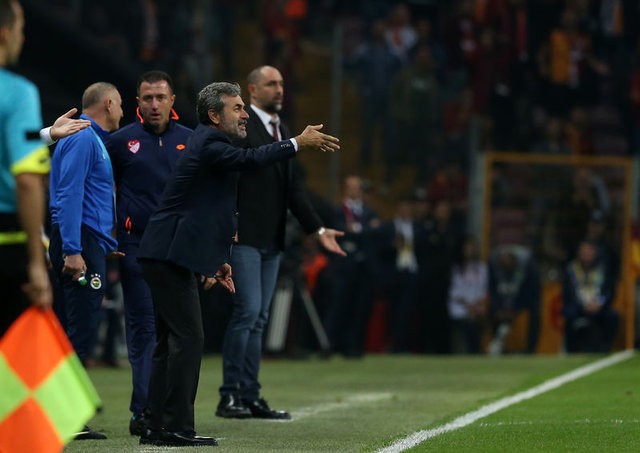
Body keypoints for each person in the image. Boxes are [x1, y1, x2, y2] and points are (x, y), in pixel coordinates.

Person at [137, 82, 339, 447]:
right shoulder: (211, 142)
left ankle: (155, 424)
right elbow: (251, 161)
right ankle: (176, 427)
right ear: (215, 115)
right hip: (167, 253)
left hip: (167, 252)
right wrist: (296, 142)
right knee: (188, 338)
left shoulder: (211, 144)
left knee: (170, 342)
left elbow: (207, 209)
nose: (245, 114)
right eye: (237, 108)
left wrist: (217, 260)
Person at [216, 65, 345, 420]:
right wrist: (295, 143)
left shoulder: (281, 129)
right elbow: (248, 165)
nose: (279, 89)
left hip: (272, 237)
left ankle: (250, 395)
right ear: (253, 91)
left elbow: (293, 190)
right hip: (244, 235)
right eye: (271, 84)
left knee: (259, 318)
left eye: (282, 83)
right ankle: (229, 396)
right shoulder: (243, 126)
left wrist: (318, 229)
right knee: (247, 313)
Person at [106, 70, 193, 435]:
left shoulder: (191, 140)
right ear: (138, 102)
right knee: (144, 329)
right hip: (136, 246)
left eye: (160, 97)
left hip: (179, 248)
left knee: (177, 332)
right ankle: (143, 411)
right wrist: (108, 234)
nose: (154, 104)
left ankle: (165, 411)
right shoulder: (120, 142)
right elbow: (100, 187)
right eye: (147, 98)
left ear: (172, 100)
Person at [0, 0, 90, 337]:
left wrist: (48, 134)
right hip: (8, 248)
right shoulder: (17, 93)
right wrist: (37, 263)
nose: (22, 38)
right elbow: (26, 179)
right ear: (5, 33)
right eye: (21, 30)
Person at [48, 82, 124, 440]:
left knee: (73, 329)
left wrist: (103, 242)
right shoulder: (82, 137)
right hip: (78, 242)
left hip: (86, 241)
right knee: (81, 328)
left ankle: (59, 413)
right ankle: (67, 417)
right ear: (108, 104)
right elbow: (69, 193)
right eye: (120, 104)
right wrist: (74, 249)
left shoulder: (89, 139)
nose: (122, 111)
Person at [324, 175, 380, 357]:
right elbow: (338, 231)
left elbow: (375, 232)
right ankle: (330, 345)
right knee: (339, 306)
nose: (354, 190)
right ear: (345, 189)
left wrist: (355, 230)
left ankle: (354, 347)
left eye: (357, 187)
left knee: (359, 308)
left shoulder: (369, 211)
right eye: (351, 187)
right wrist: (362, 230)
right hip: (343, 266)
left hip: (364, 267)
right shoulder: (338, 210)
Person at [562, 240, 619, 352]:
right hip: (579, 307)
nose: (586, 254)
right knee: (569, 314)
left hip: (598, 307)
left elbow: (608, 292)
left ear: (594, 252)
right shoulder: (571, 269)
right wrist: (583, 306)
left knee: (612, 316)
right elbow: (569, 294)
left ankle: (605, 348)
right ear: (579, 252)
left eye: (589, 250)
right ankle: (571, 350)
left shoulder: (603, 269)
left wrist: (599, 302)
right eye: (583, 251)